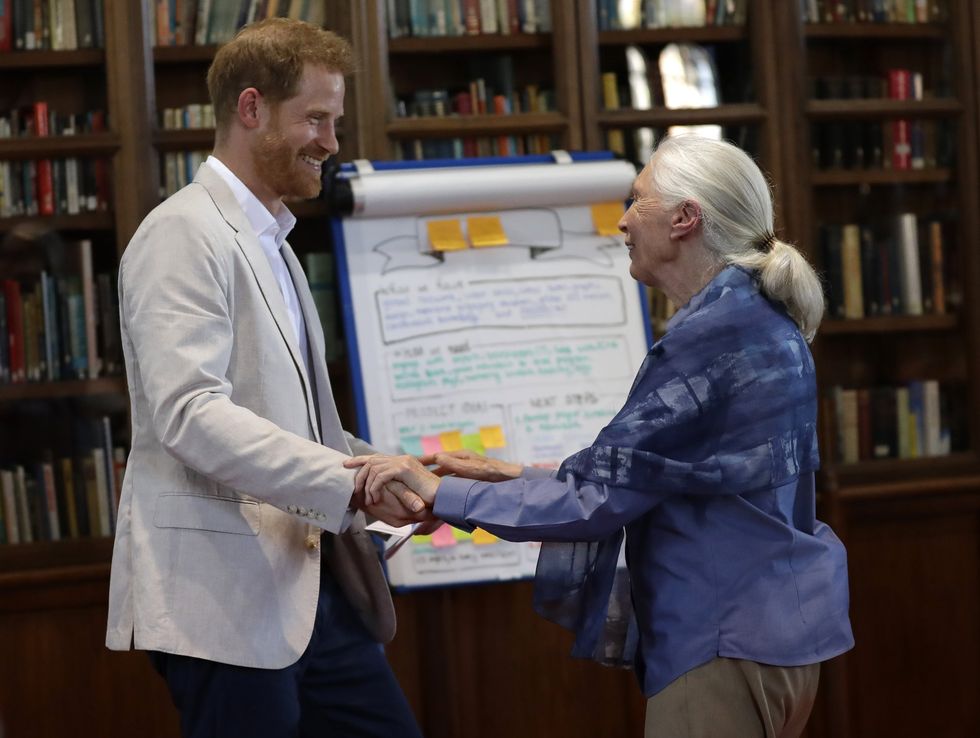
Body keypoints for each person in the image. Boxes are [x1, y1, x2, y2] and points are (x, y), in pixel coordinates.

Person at [347, 134, 855, 738]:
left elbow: (598, 499)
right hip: (774, 632)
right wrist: (509, 476)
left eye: (637, 200)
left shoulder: (713, 336)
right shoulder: (755, 318)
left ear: (685, 218)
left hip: (722, 639)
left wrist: (442, 494)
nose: (621, 221)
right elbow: (654, 473)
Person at [105, 18, 427, 738]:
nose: (332, 142)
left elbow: (298, 421)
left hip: (313, 587)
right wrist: (350, 483)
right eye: (316, 118)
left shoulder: (272, 238)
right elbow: (189, 412)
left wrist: (394, 473)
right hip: (222, 599)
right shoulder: (182, 233)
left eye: (334, 121)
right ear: (251, 108)